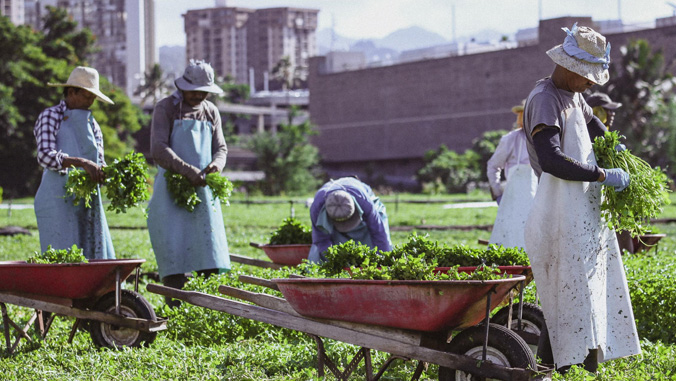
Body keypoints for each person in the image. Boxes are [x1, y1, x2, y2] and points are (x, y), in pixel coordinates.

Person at [522, 23, 641, 372]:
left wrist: (615, 147)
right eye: (588, 75)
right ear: (568, 66)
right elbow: (552, 159)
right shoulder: (546, 100)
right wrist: (603, 174)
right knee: (564, 293)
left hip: (578, 209)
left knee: (582, 288)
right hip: (555, 210)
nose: (592, 83)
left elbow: (594, 127)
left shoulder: (574, 95)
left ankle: (575, 367)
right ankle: (556, 369)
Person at [147, 59, 230, 304]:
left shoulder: (211, 111)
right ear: (183, 86)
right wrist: (187, 170)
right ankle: (175, 306)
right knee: (174, 247)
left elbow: (221, 148)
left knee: (207, 248)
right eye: (194, 90)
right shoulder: (166, 108)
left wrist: (217, 164)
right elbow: (158, 149)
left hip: (203, 190)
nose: (198, 95)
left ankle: (206, 306)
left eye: (203, 91)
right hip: (171, 191)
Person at [33, 66, 116, 260]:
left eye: (93, 97)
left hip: (87, 202)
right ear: (72, 92)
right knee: (62, 257)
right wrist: (81, 163)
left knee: (93, 254)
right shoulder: (51, 116)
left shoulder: (92, 124)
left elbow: (100, 161)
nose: (91, 101)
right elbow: (44, 156)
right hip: (57, 200)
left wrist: (107, 174)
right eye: (88, 96)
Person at [586, 92, 635, 252]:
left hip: (612, 188)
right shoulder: (589, 132)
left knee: (622, 227)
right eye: (608, 110)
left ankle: (626, 259)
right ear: (597, 111)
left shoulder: (607, 132)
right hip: (594, 186)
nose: (612, 114)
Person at [486, 100, 538, 248]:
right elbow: (493, 166)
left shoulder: (542, 141)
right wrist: (498, 193)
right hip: (513, 199)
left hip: (537, 199)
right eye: (520, 115)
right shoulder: (510, 139)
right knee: (510, 240)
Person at [308, 177, 392, 263]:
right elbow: (321, 239)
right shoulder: (316, 208)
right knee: (317, 254)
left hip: (365, 199)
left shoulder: (363, 200)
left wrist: (383, 260)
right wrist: (333, 261)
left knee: (380, 241)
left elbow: (378, 232)